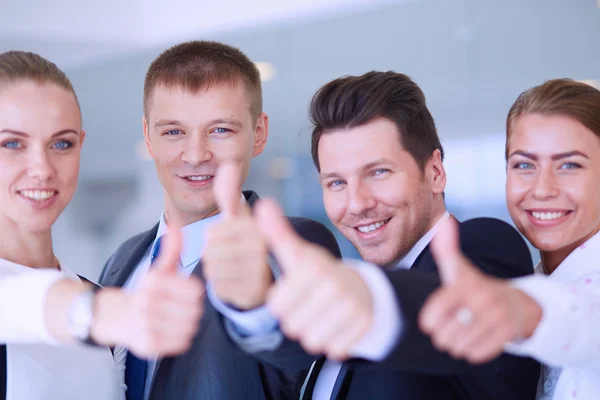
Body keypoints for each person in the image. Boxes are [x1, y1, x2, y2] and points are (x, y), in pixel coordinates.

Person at [221, 71, 541, 400]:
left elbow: (444, 317)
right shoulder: (347, 305)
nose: (357, 203)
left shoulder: (483, 247)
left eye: (378, 172)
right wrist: (252, 303)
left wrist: (361, 292)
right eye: (336, 183)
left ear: (435, 172)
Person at [98, 40, 341, 400]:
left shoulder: (294, 245)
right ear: (148, 138)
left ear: (258, 133)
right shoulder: (121, 261)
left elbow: (297, 349)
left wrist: (257, 306)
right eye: (173, 132)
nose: (196, 155)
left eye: (220, 130)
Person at [0, 51, 204, 400]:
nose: (42, 167)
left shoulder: (101, 302)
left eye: (61, 144)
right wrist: (96, 313)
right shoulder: (101, 310)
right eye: (12, 144)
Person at [419, 78, 600, 400]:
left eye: (569, 164)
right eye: (524, 164)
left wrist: (521, 310)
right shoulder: (533, 276)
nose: (542, 189)